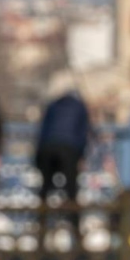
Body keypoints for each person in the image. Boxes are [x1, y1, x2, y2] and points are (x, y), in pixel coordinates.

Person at [36, 76, 91, 231]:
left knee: (46, 187)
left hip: (48, 147)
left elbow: (43, 132)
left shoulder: (53, 105)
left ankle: (41, 224)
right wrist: (81, 156)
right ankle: (75, 226)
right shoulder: (80, 106)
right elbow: (82, 133)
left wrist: (38, 159)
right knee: (71, 188)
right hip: (69, 148)